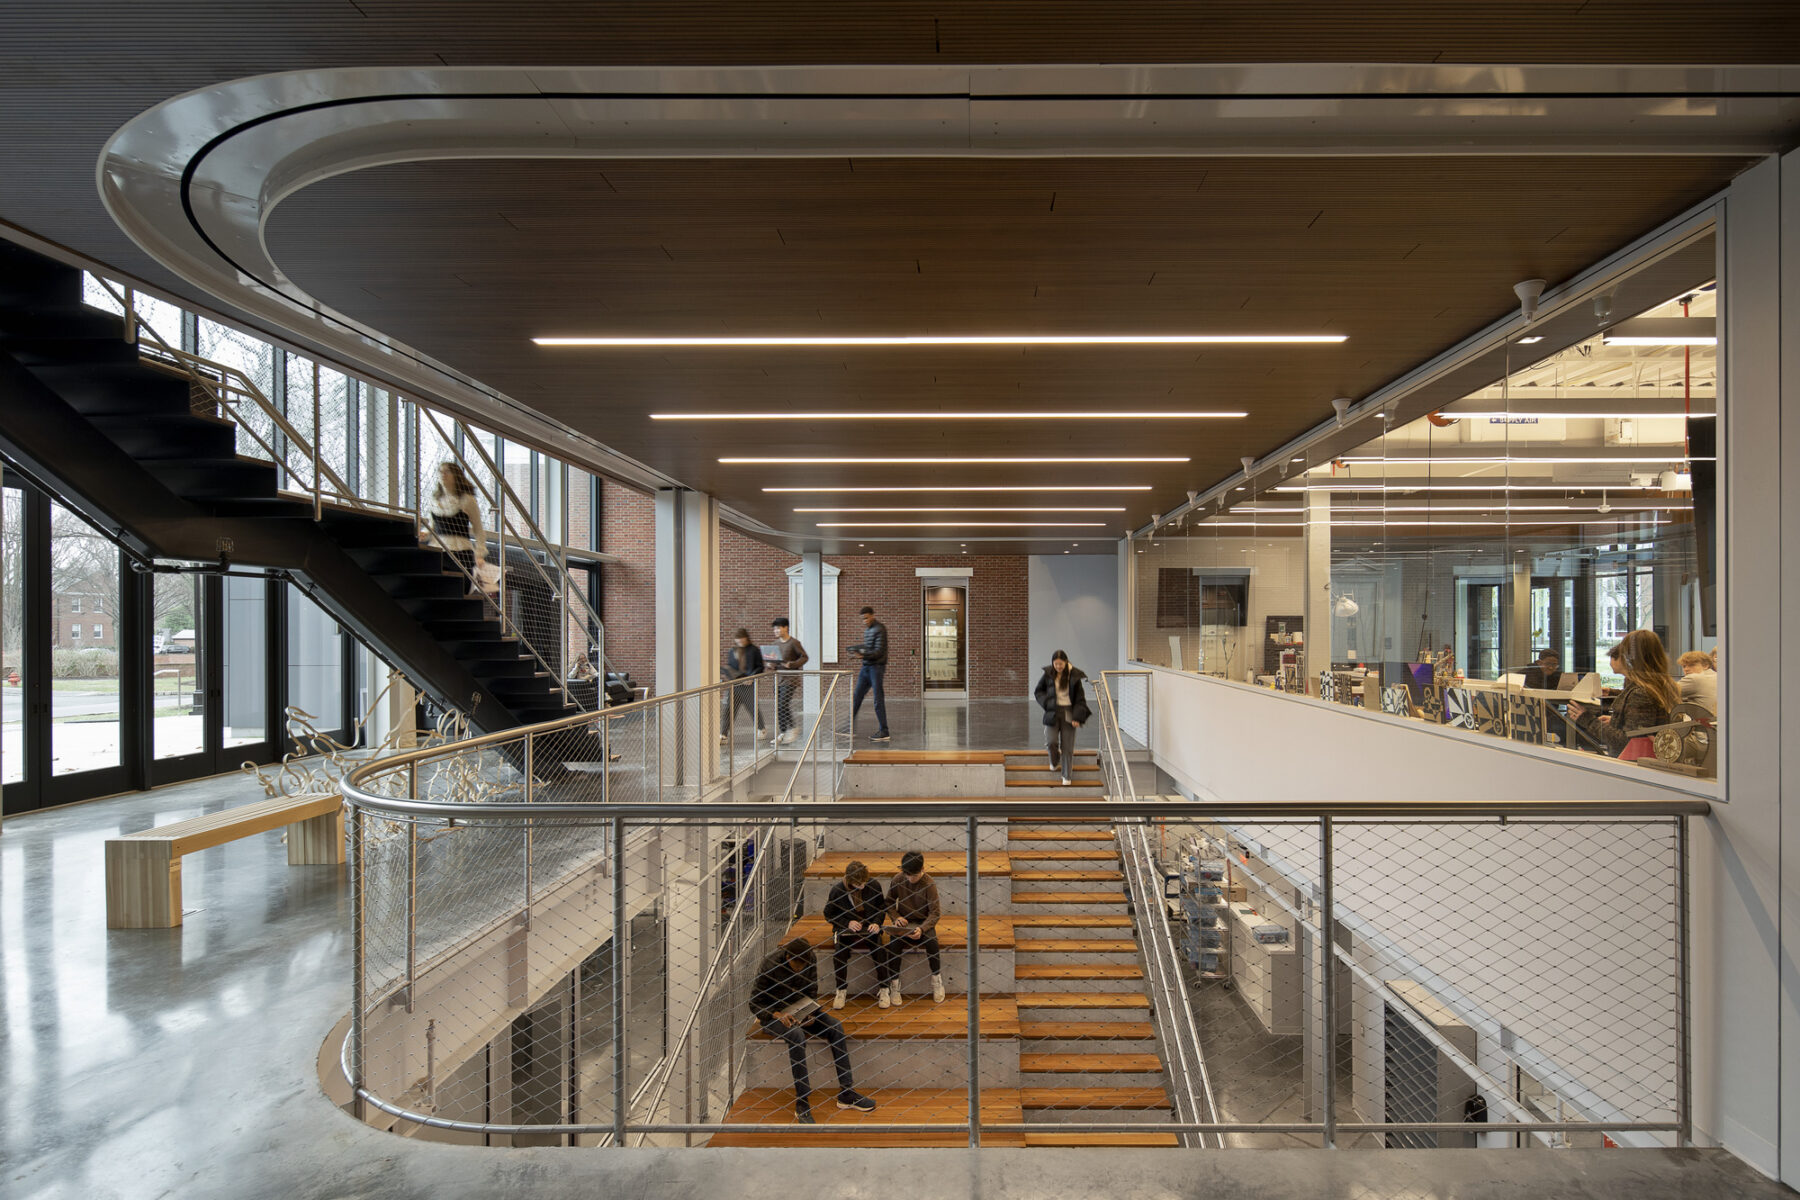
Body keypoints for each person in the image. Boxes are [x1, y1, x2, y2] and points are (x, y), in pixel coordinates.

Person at [748, 937, 878, 1123]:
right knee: (796, 1035)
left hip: (800, 1010)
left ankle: (846, 1092)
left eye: (803, 965)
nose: (800, 968)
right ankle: (802, 1101)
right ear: (787, 957)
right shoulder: (769, 965)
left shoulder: (810, 959)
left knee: (835, 1027)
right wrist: (776, 1014)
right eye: (796, 965)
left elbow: (811, 992)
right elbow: (754, 1003)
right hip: (774, 1015)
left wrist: (810, 1013)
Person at [1568, 629, 1678, 759]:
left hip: (1633, 765)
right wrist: (1616, 722)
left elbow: (1627, 741)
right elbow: (1640, 729)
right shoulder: (1656, 686)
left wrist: (1588, 720)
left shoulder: (1641, 693)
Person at [824, 860, 894, 1010]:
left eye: (864, 882)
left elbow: (881, 907)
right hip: (846, 929)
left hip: (869, 927)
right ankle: (841, 990)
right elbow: (829, 914)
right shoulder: (837, 891)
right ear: (850, 881)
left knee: (880, 950)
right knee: (839, 954)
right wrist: (847, 923)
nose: (863, 885)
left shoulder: (873, 885)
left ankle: (884, 989)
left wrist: (877, 923)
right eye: (859, 884)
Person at [887, 851, 945, 1005]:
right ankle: (894, 984)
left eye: (914, 875)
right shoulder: (898, 879)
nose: (910, 878)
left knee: (933, 943)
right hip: (904, 922)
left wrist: (923, 928)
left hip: (923, 922)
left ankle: (937, 980)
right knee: (893, 945)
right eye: (907, 875)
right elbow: (889, 903)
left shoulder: (929, 883)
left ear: (922, 869)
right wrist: (896, 918)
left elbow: (935, 912)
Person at [420, 462, 485, 593]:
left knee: (460, 589)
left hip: (460, 552)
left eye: (447, 471)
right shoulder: (435, 500)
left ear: (456, 475)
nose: (443, 475)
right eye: (440, 471)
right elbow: (432, 525)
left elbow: (478, 529)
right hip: (438, 551)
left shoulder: (467, 500)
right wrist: (424, 533)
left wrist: (479, 554)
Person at [1033, 650, 1092, 784]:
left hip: (1069, 712)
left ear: (1066, 662)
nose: (1058, 666)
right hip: (1052, 711)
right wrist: (1047, 703)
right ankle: (1054, 760)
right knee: (1051, 741)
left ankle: (1066, 775)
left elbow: (1080, 699)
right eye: (1056, 664)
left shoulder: (1074, 676)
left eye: (1061, 664)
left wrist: (1077, 717)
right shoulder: (1048, 674)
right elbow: (1038, 691)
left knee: (1067, 746)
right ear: (1052, 663)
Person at [848, 605, 891, 743]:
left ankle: (884, 731)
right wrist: (857, 652)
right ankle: (848, 727)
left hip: (876, 668)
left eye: (866, 618)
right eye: (862, 619)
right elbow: (868, 648)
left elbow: (879, 651)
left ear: (873, 615)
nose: (865, 621)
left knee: (878, 698)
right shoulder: (868, 630)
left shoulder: (880, 629)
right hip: (866, 667)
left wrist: (862, 655)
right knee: (857, 696)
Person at [766, 617, 809, 745]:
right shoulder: (774, 644)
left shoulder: (794, 643)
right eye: (774, 628)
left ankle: (793, 729)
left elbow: (804, 657)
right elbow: (772, 661)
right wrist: (770, 665)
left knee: (783, 704)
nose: (776, 630)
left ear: (786, 628)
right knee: (778, 707)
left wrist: (793, 664)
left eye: (778, 628)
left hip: (790, 680)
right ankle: (783, 733)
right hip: (778, 679)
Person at [720, 628, 765, 743]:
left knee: (752, 708)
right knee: (729, 709)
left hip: (748, 684)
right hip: (734, 684)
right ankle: (723, 734)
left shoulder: (754, 650)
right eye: (737, 640)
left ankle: (761, 729)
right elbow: (731, 665)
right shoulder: (732, 650)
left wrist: (752, 678)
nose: (740, 641)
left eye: (742, 639)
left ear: (746, 638)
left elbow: (760, 666)